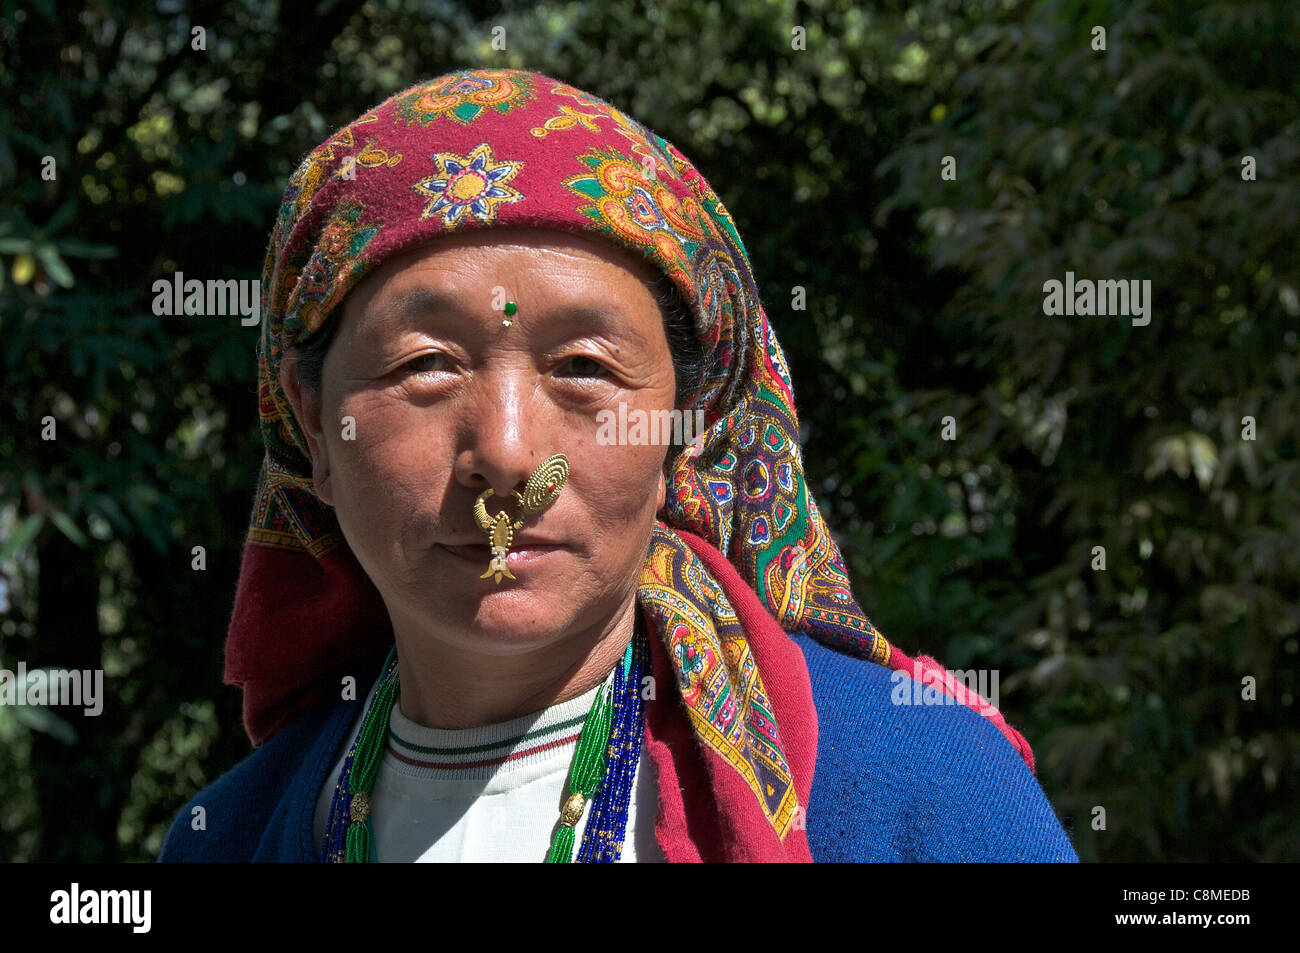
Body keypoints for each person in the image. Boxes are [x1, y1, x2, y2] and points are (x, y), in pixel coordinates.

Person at [158, 67, 1077, 862]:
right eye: (426, 364)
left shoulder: (912, 785)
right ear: (314, 425)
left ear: (687, 420)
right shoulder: (233, 835)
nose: (509, 453)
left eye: (586, 369)